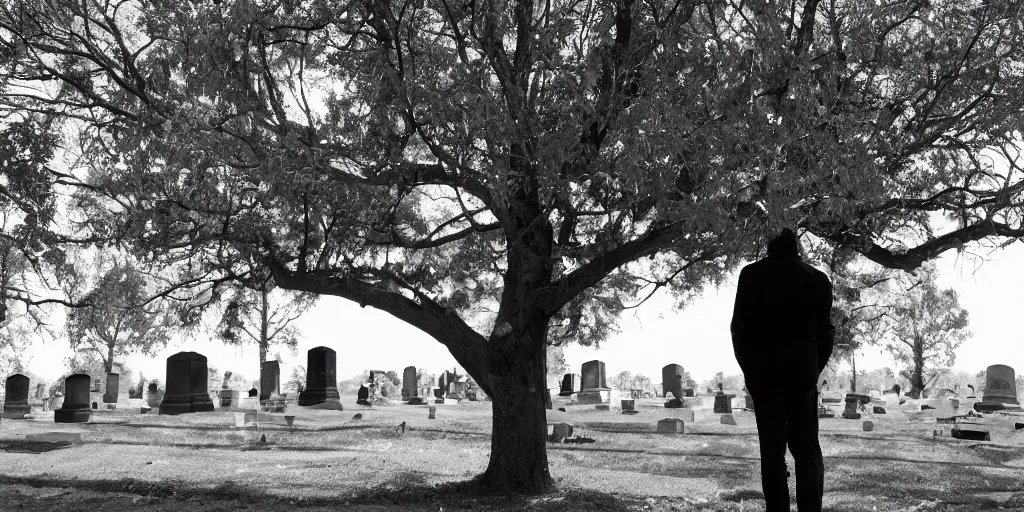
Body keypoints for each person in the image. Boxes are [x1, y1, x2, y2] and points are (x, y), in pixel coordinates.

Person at [730, 227, 835, 512]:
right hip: (801, 375)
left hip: (765, 377)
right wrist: (813, 370)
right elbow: (826, 334)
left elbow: (739, 331)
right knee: (808, 451)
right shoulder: (817, 279)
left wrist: (751, 372)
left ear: (769, 247)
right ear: (797, 249)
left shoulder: (751, 276)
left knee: (772, 452)